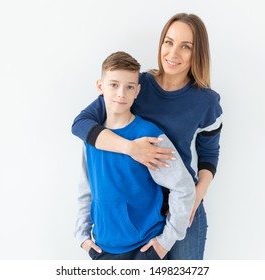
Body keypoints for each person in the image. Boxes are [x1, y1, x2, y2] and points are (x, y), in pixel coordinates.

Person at [72, 13, 223, 260]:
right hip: (137, 212)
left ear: (198, 53)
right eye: (169, 42)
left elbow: (209, 154)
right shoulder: (133, 86)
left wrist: (197, 194)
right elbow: (81, 125)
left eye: (186, 47)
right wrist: (131, 148)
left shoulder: (206, 102)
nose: (173, 53)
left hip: (183, 207)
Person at [74, 51, 195, 260]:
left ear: (137, 91)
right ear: (100, 87)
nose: (121, 93)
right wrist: (82, 236)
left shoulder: (150, 136)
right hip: (103, 249)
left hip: (145, 249)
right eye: (113, 85)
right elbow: (87, 188)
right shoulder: (93, 138)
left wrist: (165, 242)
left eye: (129, 86)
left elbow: (183, 187)